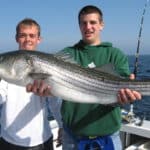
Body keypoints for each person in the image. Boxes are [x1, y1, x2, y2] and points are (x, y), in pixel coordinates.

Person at [26, 5, 141, 150]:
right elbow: (54, 89)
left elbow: (123, 91)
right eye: (83, 23)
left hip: (108, 138)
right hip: (72, 138)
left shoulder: (115, 54)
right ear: (79, 25)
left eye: (93, 22)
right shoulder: (66, 55)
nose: (88, 27)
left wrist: (127, 97)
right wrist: (48, 91)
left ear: (101, 25)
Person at [0, 18, 62, 150]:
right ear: (17, 38)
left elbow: (55, 104)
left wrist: (62, 126)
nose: (28, 39)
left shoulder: (49, 65)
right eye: (23, 35)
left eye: (32, 35)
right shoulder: (6, 69)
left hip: (41, 141)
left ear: (39, 39)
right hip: (8, 141)